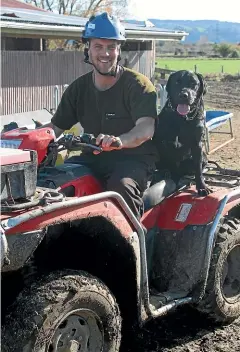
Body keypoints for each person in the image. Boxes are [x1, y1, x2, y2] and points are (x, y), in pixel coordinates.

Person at [45, 12, 158, 218]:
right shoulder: (78, 88)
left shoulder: (138, 85)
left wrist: (119, 141)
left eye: (111, 47)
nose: (105, 53)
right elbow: (54, 129)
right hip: (91, 159)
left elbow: (145, 129)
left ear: (119, 50)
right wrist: (25, 140)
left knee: (120, 188)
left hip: (132, 161)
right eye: (98, 46)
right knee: (51, 181)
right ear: (88, 48)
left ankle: (133, 244)